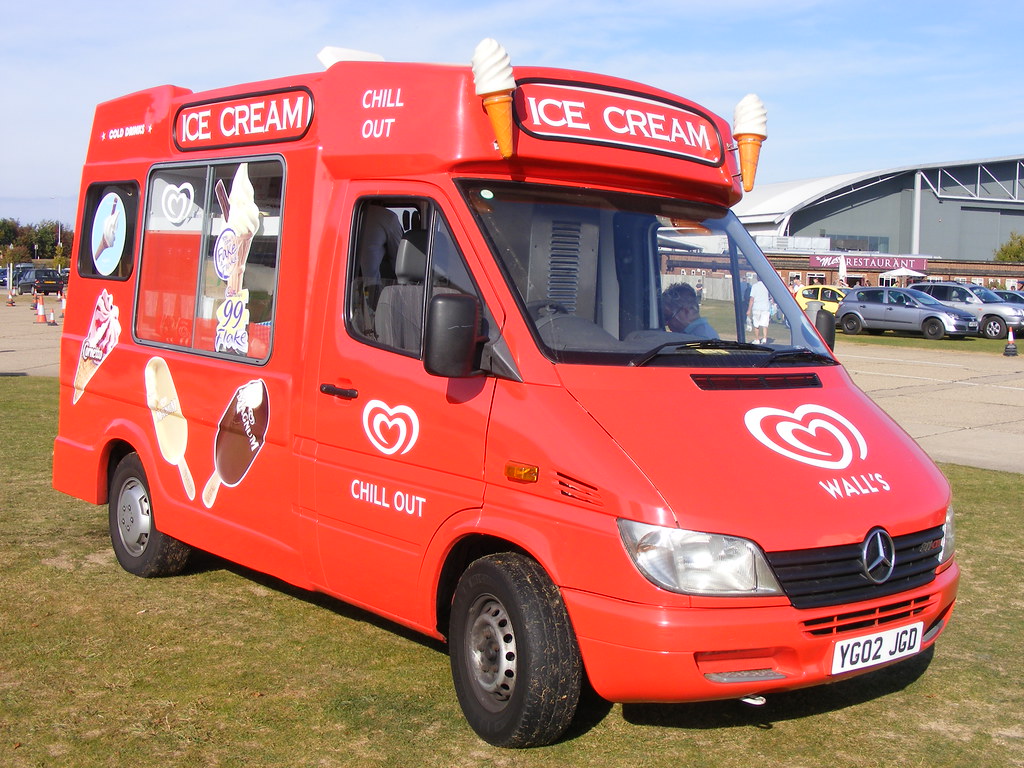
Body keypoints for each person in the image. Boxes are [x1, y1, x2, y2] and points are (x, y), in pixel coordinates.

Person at [747, 276, 771, 344]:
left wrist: (749, 309)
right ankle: (764, 338)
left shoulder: (755, 286)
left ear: (757, 278)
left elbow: (752, 299)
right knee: (765, 324)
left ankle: (757, 339)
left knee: (756, 324)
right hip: (765, 307)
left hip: (756, 307)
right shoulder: (767, 286)